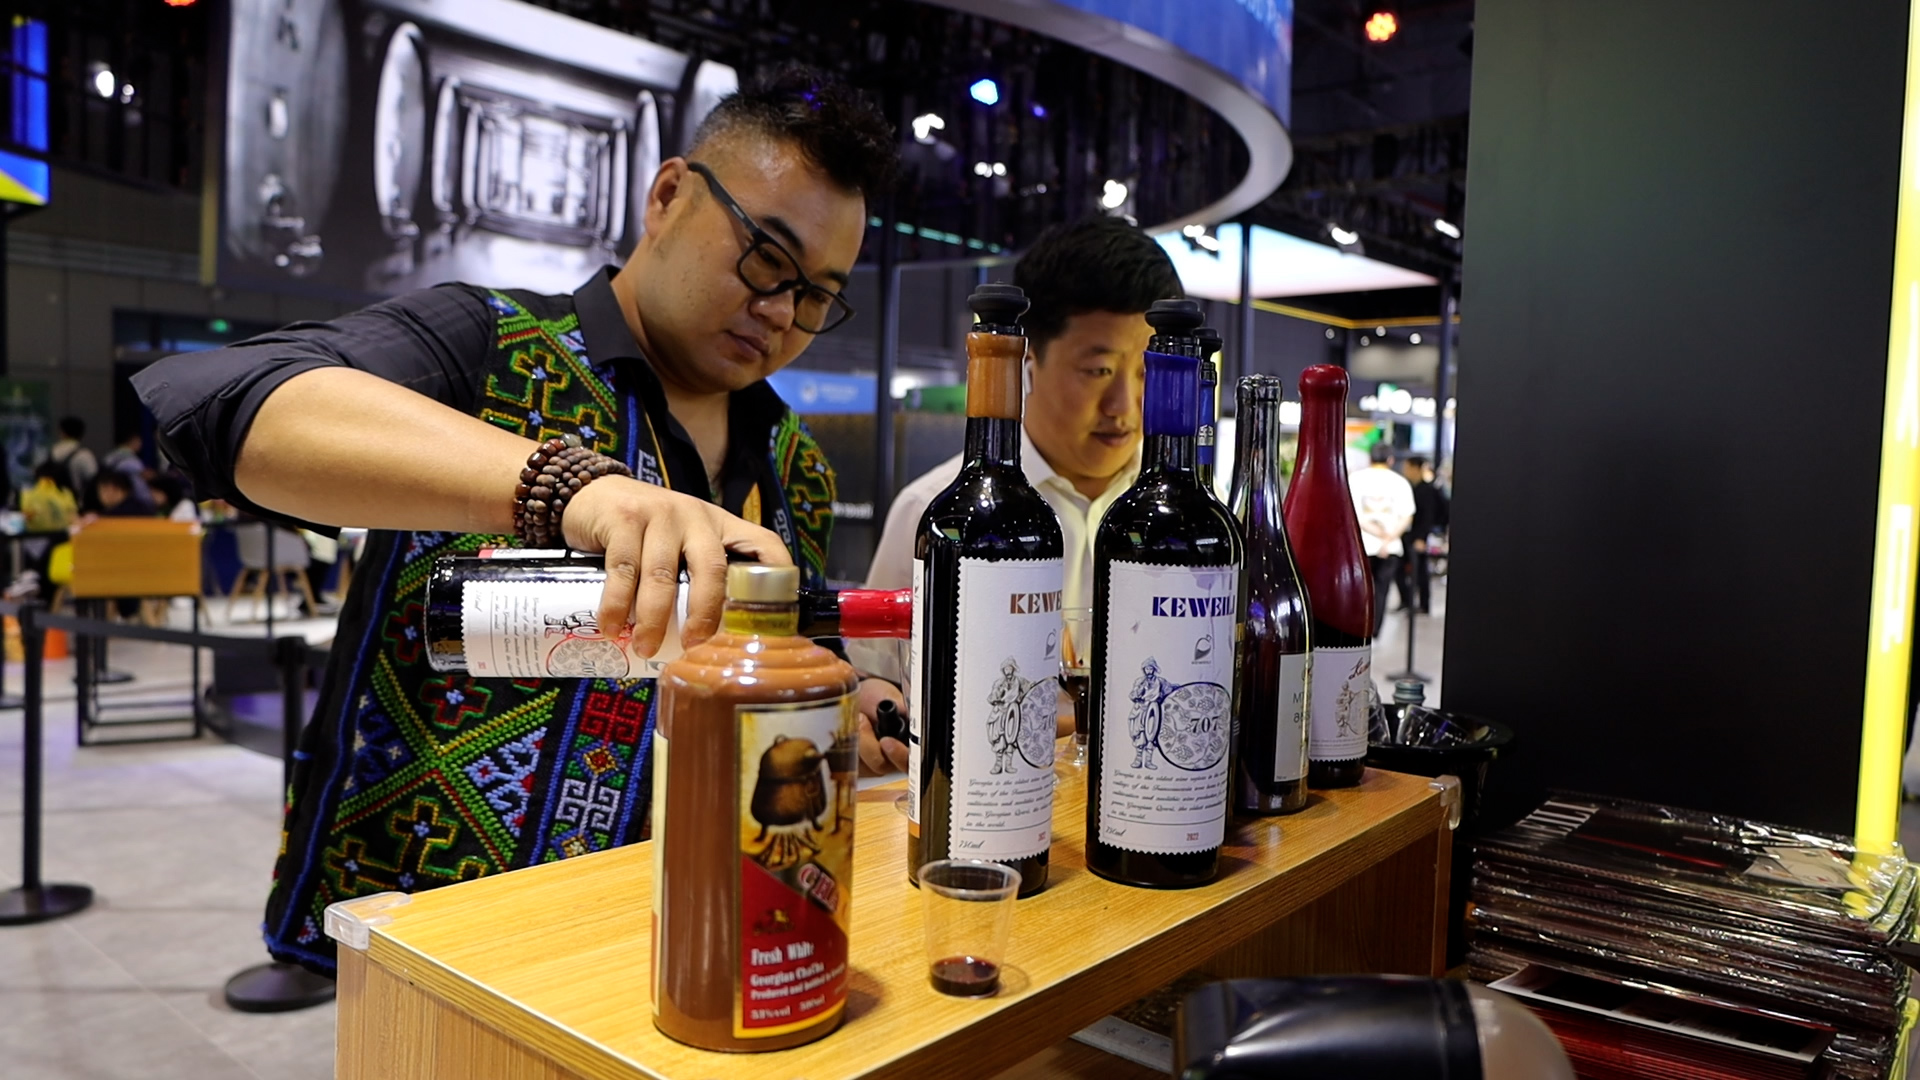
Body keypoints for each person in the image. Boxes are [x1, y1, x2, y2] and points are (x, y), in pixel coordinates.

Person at [132, 64, 901, 977]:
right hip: (453, 937)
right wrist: (566, 486)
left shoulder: (796, 465)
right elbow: (222, 400)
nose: (779, 311)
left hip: (689, 930)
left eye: (815, 295)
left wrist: (844, 702)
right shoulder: (490, 348)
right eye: (766, 258)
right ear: (667, 196)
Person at [854, 214, 1182, 771]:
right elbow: (874, 673)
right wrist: (869, 698)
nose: (1125, 406)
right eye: (1099, 370)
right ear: (1027, 360)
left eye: (1148, 372)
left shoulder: (1183, 522)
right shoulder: (935, 511)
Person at [1350, 440, 1415, 633]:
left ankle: (1359, 627)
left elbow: (1352, 515)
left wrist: (1375, 532)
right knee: (1382, 589)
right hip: (1391, 546)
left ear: (1370, 457)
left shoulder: (1355, 479)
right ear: (1391, 459)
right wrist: (1388, 537)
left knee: (1360, 589)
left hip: (1362, 545)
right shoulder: (1400, 482)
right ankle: (1375, 629)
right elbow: (1407, 516)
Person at [1397, 454, 1449, 614]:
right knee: (1400, 569)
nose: (1405, 470)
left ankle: (1424, 604)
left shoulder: (1426, 490)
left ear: (1416, 468)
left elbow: (1428, 516)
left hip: (1419, 536)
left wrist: (1421, 538)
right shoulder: (1411, 487)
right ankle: (1406, 601)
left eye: (1408, 467)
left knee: (1420, 571)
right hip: (1407, 535)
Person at [48, 416, 97, 499]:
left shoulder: (51, 453)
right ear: (81, 434)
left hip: (52, 500)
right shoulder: (84, 454)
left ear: (62, 432)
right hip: (74, 500)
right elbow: (93, 478)